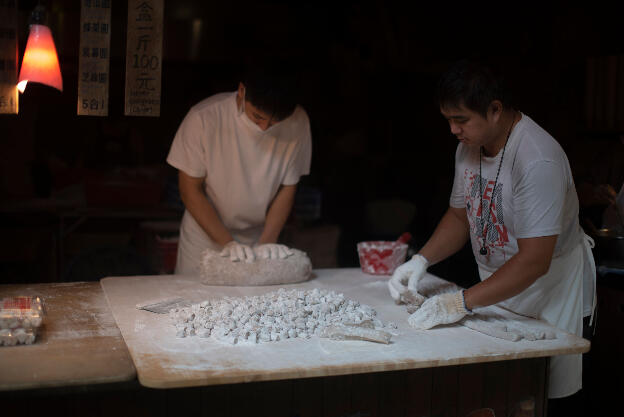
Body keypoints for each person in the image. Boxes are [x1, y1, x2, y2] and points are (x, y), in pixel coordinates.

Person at [388, 61, 596, 408]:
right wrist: (422, 259)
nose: (453, 130)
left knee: (540, 398)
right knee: (499, 397)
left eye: (461, 119)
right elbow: (459, 216)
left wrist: (460, 302)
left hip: (548, 293)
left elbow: (534, 261)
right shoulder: (468, 147)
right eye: (448, 120)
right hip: (496, 290)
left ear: (495, 110)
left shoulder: (536, 158)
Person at [166, 61, 312, 275]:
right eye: (258, 117)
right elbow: (190, 191)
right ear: (242, 91)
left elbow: (287, 187)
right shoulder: (204, 117)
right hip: (203, 237)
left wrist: (266, 244)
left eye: (274, 124)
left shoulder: (298, 121)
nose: (264, 128)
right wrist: (228, 244)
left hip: (259, 235)